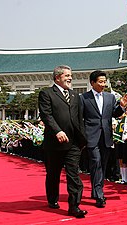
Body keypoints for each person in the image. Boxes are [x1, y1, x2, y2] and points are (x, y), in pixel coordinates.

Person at [38, 65, 88, 218]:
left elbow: (79, 118)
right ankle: (52, 199)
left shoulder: (75, 96)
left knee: (73, 174)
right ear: (57, 77)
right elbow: (46, 115)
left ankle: (74, 206)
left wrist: (82, 138)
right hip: (55, 143)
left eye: (70, 75)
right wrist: (57, 131)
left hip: (73, 143)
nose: (70, 78)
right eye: (67, 75)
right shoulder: (46, 93)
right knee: (53, 174)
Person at [80, 70, 127, 208]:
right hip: (91, 136)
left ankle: (96, 192)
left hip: (106, 137)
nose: (103, 84)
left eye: (104, 82)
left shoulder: (110, 97)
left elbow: (115, 113)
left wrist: (122, 106)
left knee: (102, 165)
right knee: (96, 163)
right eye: (100, 82)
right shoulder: (84, 98)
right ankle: (99, 194)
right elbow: (79, 118)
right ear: (92, 83)